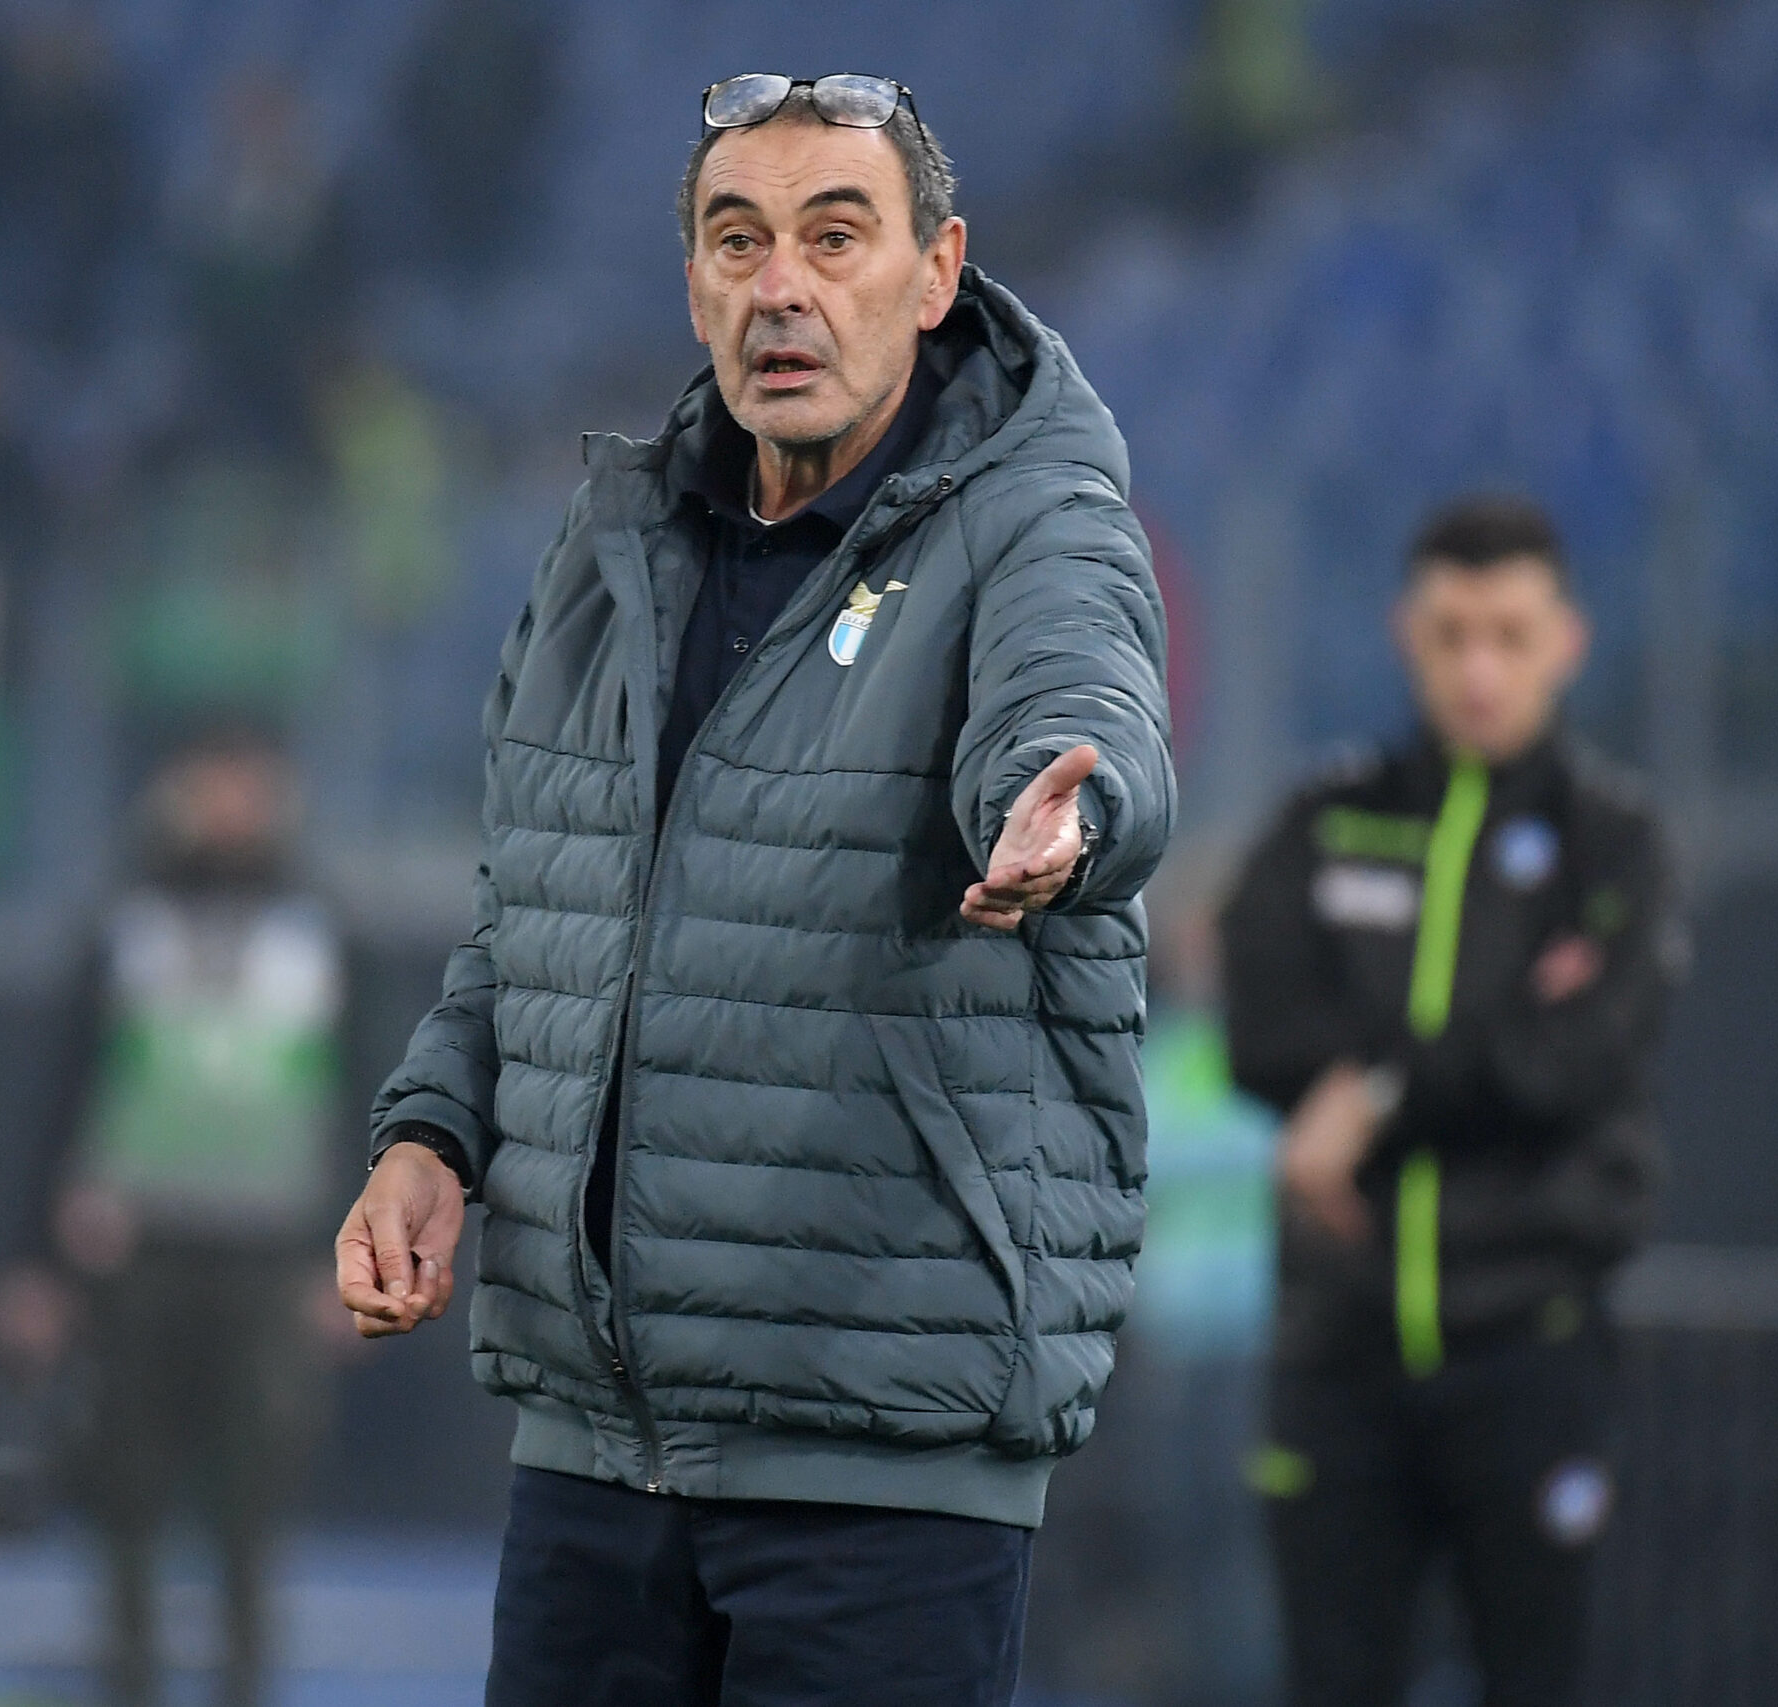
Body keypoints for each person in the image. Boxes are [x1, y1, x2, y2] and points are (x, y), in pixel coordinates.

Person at [337, 74, 1175, 1706]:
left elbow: (1080, 706)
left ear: (936, 274)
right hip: (595, 1458)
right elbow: (538, 919)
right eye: (739, 240)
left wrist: (1071, 809)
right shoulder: (608, 554)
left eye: (835, 237)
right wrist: (432, 1132)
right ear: (695, 282)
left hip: (881, 1461)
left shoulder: (1041, 528)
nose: (781, 285)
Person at [1218, 496, 1683, 1707]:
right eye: (1451, 634)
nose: (1479, 669)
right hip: (1336, 1355)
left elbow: (1569, 1064)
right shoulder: (1327, 818)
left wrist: (1370, 1092)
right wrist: (1485, 1042)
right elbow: (1259, 1032)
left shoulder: (1615, 844)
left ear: (1566, 642)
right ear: (1404, 634)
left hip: (1532, 1348)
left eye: (1509, 636)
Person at [0, 734, 351, 1707]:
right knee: (126, 1485)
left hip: (267, 1254)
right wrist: (35, 1259)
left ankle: (243, 1683)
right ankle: (130, 1677)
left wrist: (348, 1260)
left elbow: (361, 1098)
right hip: (139, 1248)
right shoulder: (127, 926)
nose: (227, 807)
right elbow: (68, 1092)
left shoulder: (318, 934)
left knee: (253, 1500)